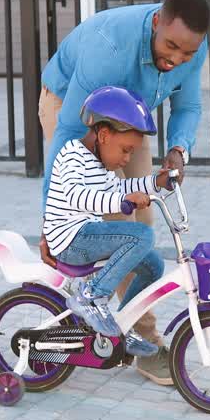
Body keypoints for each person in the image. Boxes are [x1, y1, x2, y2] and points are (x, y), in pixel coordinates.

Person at [38, 0, 210, 386]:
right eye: (171, 47)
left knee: (140, 226)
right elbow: (68, 134)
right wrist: (49, 221)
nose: (177, 59)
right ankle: (107, 322)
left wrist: (179, 150)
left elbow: (188, 107)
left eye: (187, 53)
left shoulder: (191, 48)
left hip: (129, 116)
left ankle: (124, 333)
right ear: (156, 23)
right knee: (106, 223)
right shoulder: (110, 48)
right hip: (73, 107)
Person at [45, 87, 172, 358]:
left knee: (153, 264)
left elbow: (120, 187)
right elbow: (77, 196)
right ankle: (91, 296)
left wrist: (155, 182)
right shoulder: (72, 154)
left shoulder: (100, 165)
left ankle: (123, 328)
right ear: (103, 135)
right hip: (71, 240)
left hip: (87, 236)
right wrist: (122, 201)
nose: (127, 159)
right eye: (125, 150)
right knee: (141, 235)